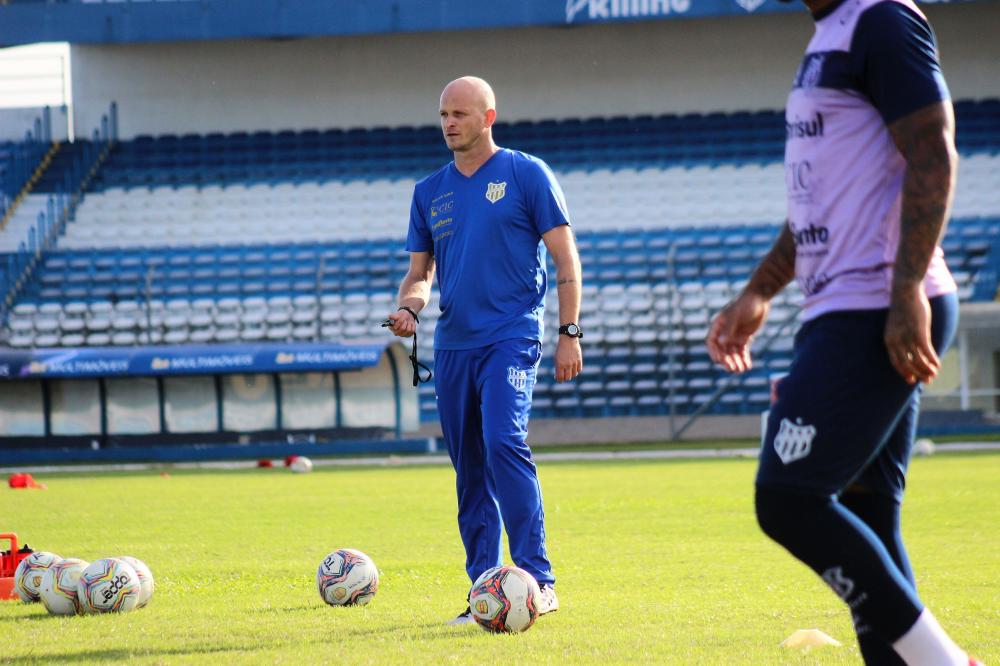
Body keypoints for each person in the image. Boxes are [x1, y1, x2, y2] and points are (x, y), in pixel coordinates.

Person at [706, 1, 982, 665]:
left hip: (876, 306)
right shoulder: (830, 34)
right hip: (844, 304)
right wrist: (760, 291)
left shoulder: (882, 19)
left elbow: (934, 152)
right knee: (869, 516)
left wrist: (906, 287)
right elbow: (819, 200)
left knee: (787, 499)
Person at [387, 76, 583, 625]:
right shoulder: (429, 192)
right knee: (469, 469)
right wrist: (409, 308)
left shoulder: (526, 173)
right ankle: (485, 592)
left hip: (512, 334)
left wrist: (569, 333)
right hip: (454, 345)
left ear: (488, 116)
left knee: (504, 442)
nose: (449, 123)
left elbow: (566, 259)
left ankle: (539, 580)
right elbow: (419, 274)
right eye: (443, 114)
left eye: (460, 114)